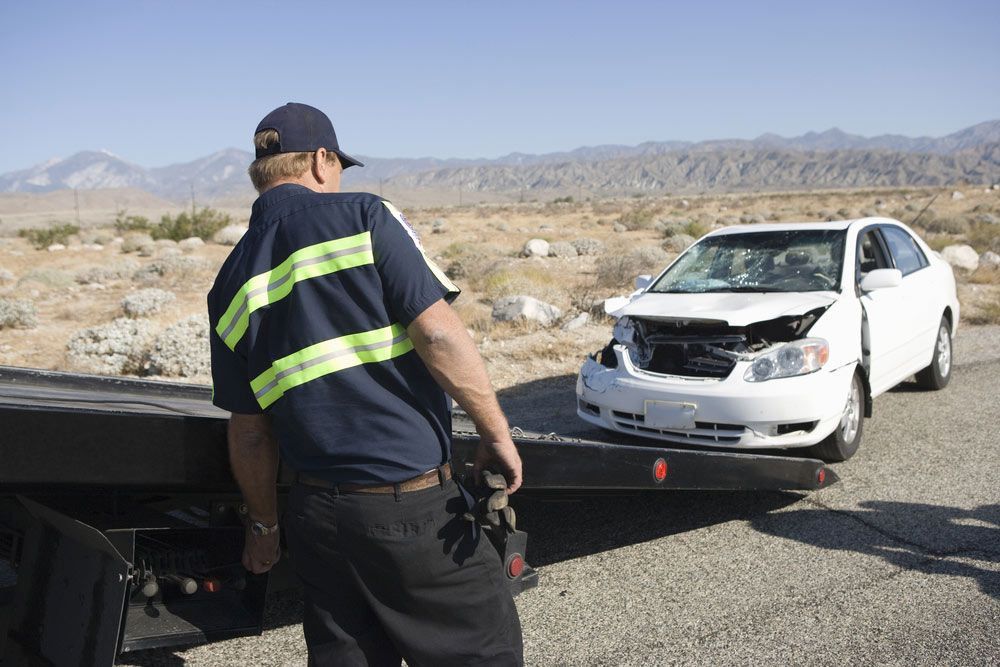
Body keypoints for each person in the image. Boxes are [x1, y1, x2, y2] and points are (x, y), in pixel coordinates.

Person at [207, 102, 524, 666]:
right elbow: (440, 337)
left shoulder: (230, 280)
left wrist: (264, 524)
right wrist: (495, 431)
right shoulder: (364, 217)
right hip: (411, 506)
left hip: (317, 522)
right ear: (323, 161)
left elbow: (251, 434)